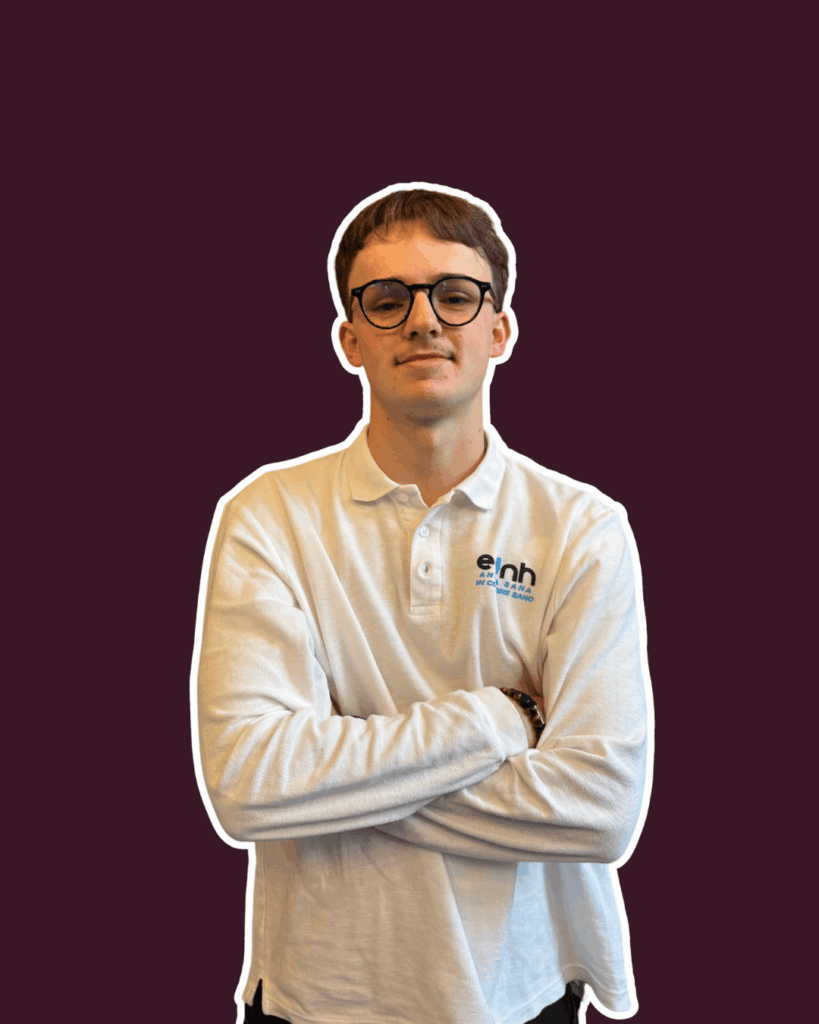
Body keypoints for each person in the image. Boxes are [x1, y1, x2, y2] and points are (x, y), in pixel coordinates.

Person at [194, 185, 652, 1024]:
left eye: (453, 294)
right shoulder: (268, 516)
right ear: (350, 338)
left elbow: (600, 809)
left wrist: (330, 784)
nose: (422, 320)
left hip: (524, 984)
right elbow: (248, 783)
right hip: (319, 991)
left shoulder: (580, 528)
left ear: (498, 329)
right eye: (386, 299)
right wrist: (501, 719)